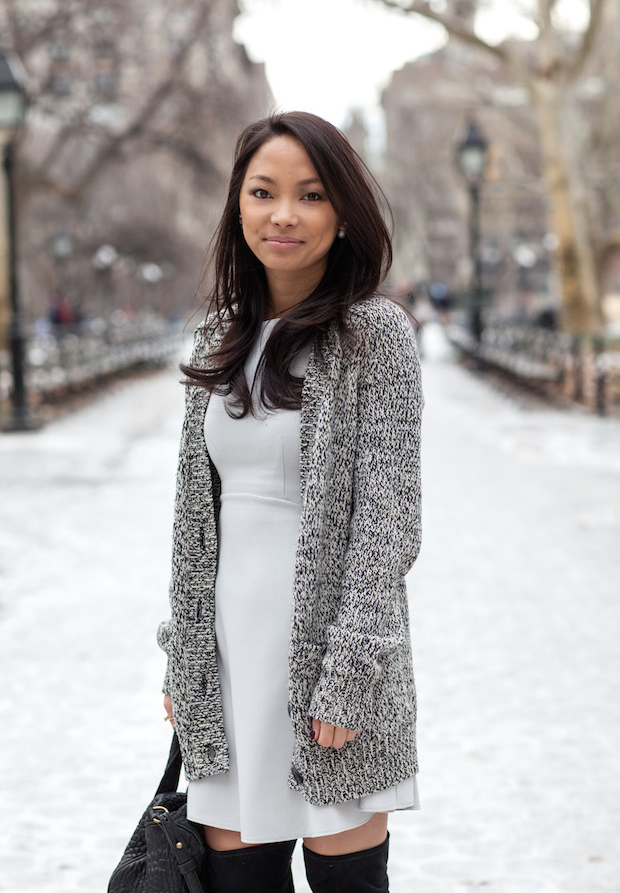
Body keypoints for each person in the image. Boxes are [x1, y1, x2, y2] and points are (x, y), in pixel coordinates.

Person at [157, 111, 423, 892]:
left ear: (342, 215)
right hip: (231, 661)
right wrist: (186, 656)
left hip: (332, 663)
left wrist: (347, 673)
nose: (283, 215)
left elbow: (388, 522)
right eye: (263, 192)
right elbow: (192, 525)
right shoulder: (218, 340)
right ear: (237, 206)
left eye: (310, 196)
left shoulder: (375, 336)